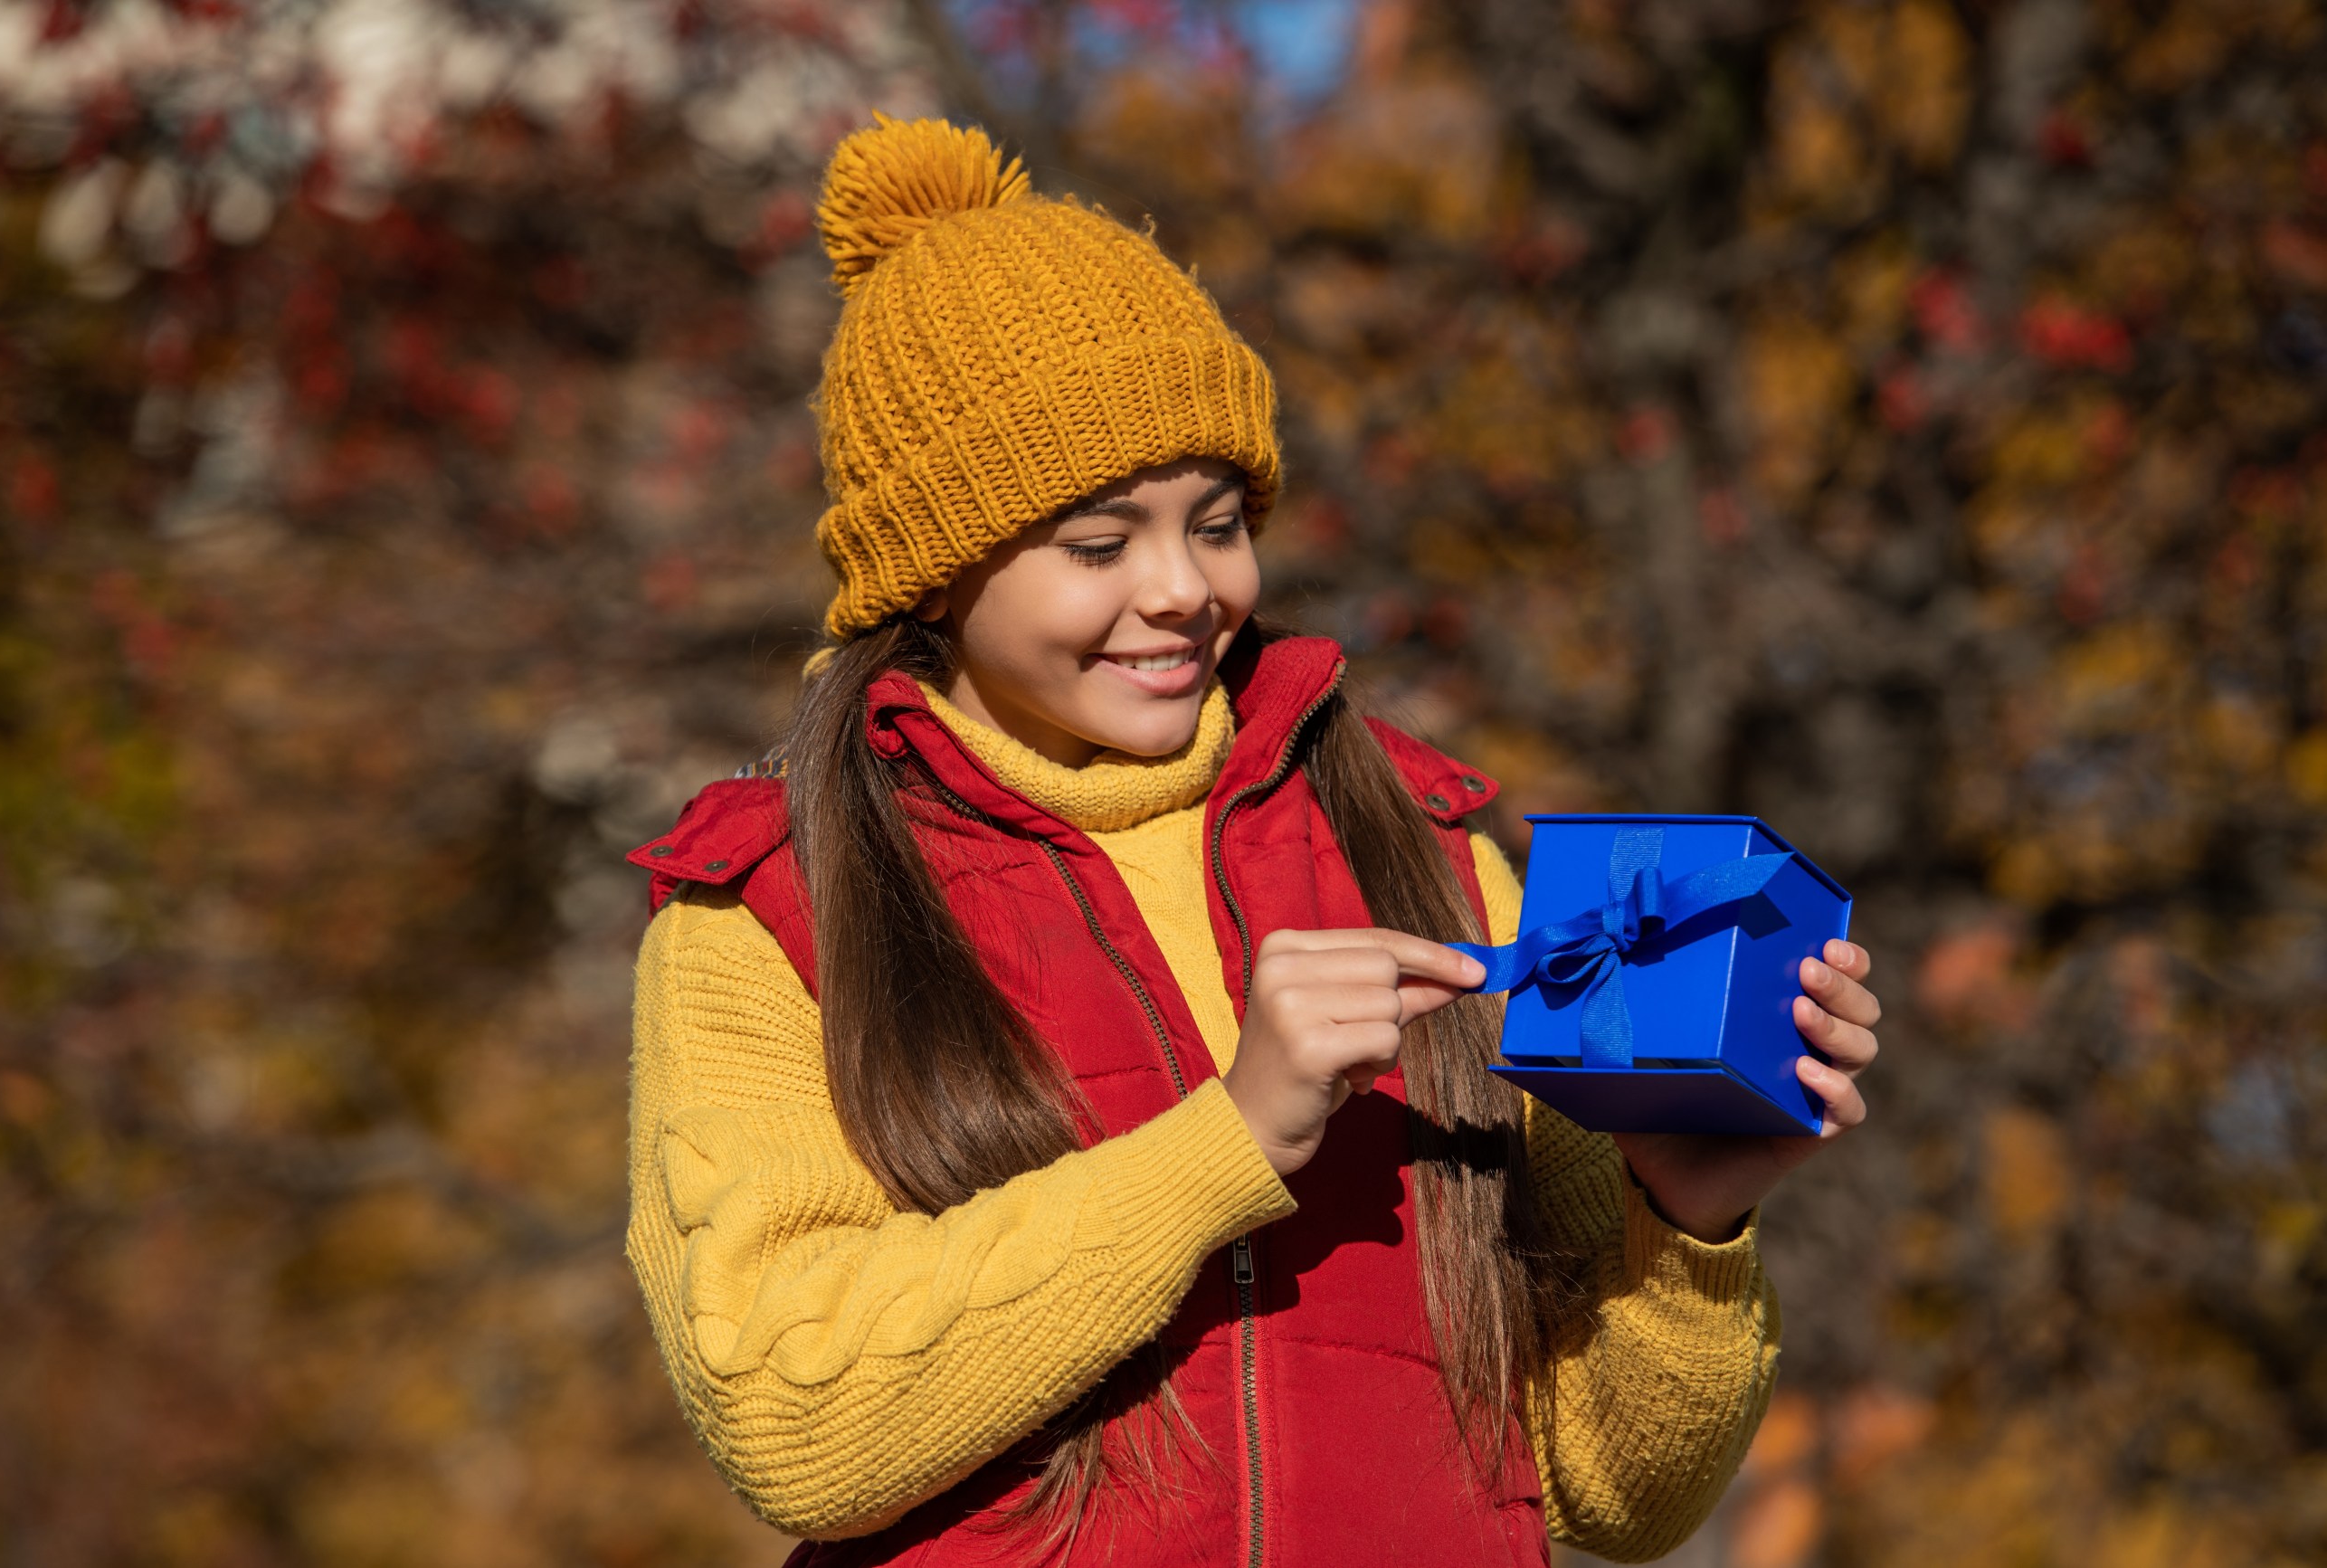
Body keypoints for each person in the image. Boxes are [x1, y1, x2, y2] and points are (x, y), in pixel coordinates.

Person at [624, 114, 1884, 1568]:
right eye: (1099, 545)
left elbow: (1616, 1493)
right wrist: (1228, 1141)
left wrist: (1689, 1215)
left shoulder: (1427, 853)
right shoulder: (772, 906)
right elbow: (788, 1415)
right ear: (938, 567)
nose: (1179, 588)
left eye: (1216, 522)